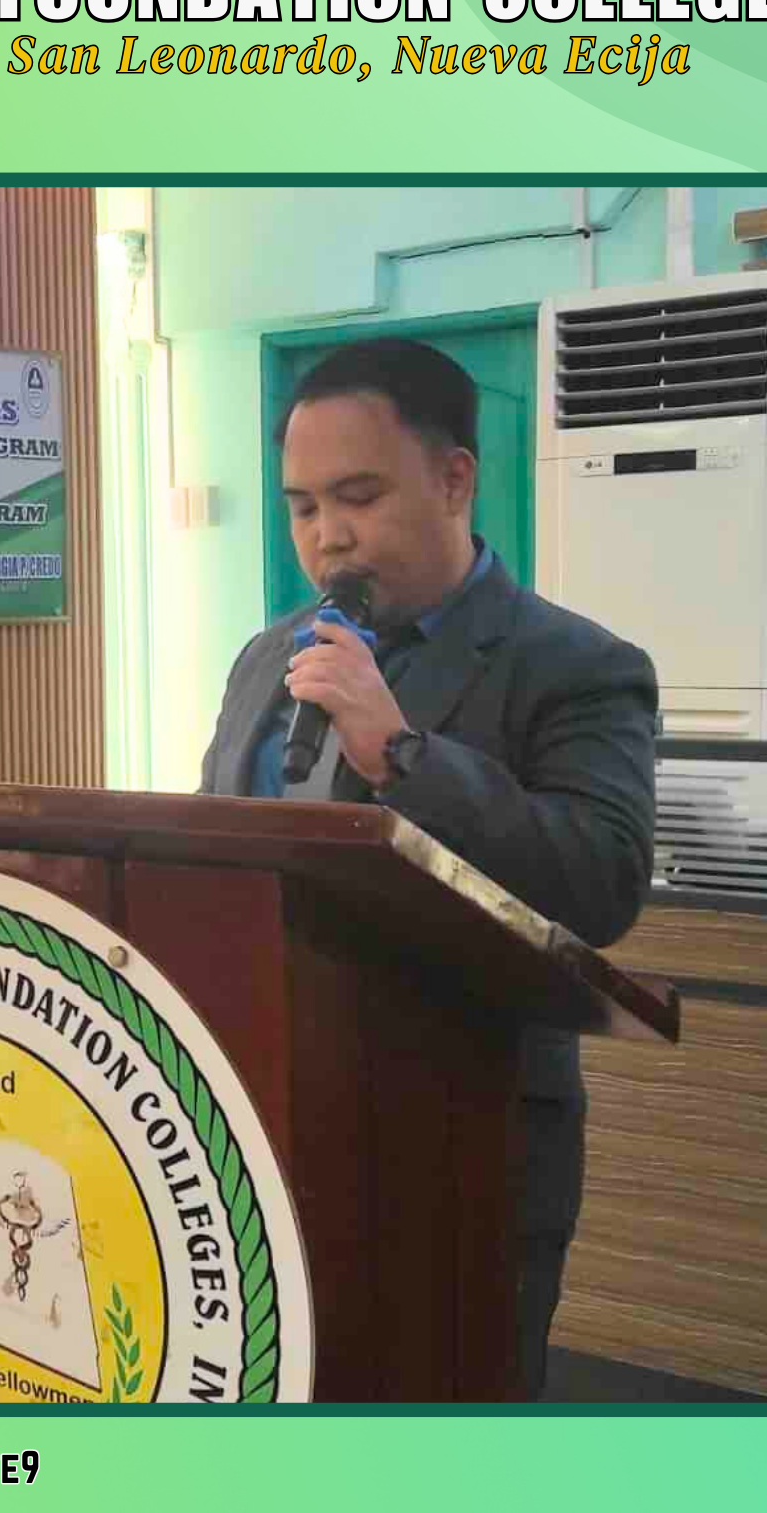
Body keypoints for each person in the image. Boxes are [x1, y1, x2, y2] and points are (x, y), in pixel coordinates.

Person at [197, 337, 658, 1400]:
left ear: (453, 479)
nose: (327, 535)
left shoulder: (576, 665)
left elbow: (600, 880)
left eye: (358, 496)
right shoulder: (268, 657)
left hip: (464, 1135)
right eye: (302, 506)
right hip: (265, 1118)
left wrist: (400, 754)